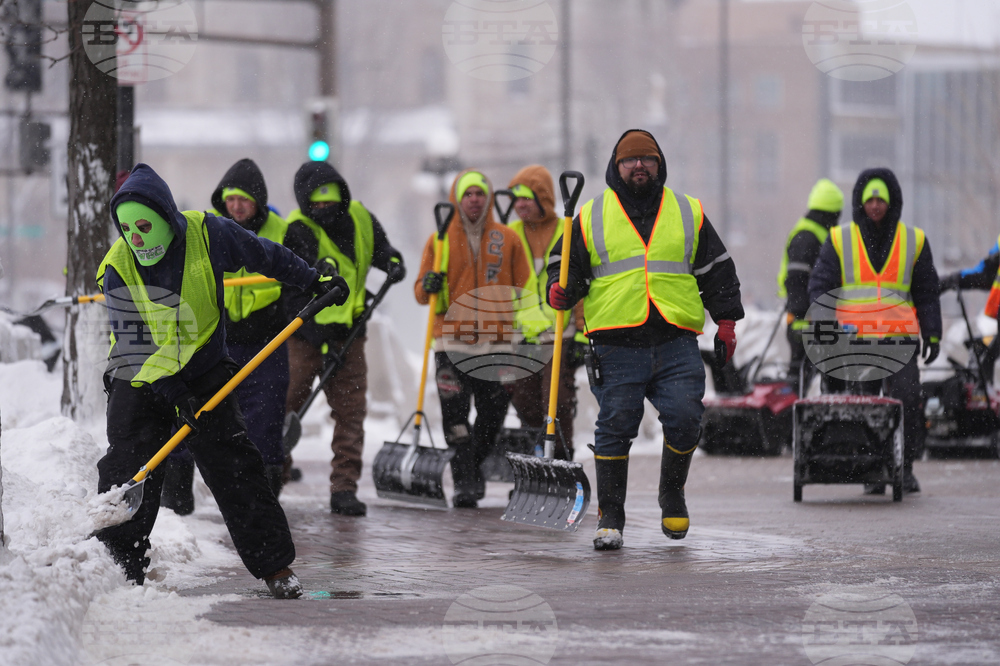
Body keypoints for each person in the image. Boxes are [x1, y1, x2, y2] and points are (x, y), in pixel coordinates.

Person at [94, 163, 347, 597]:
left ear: (165, 217)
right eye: (127, 229)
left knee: (234, 464)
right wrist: (175, 395)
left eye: (144, 226)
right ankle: (118, 564)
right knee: (130, 466)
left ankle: (275, 567)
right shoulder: (120, 267)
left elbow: (265, 255)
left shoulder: (208, 234)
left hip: (202, 367)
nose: (136, 238)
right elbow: (137, 346)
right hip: (140, 375)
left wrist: (312, 281)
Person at [547, 129, 744, 550]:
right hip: (617, 344)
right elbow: (561, 266)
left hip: (676, 340)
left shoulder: (687, 212)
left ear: (660, 165)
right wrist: (559, 288)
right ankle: (611, 514)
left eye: (648, 159)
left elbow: (718, 271)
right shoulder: (590, 216)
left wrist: (726, 323)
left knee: (686, 417)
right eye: (630, 160)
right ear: (616, 168)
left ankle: (672, 493)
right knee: (616, 427)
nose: (639, 166)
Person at [160, 158, 291, 514]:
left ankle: (261, 507)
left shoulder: (282, 230)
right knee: (195, 412)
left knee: (264, 419)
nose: (236, 206)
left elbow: (296, 269)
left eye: (244, 199)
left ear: (258, 201)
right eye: (231, 199)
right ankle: (176, 499)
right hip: (217, 340)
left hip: (267, 341)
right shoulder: (208, 231)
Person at [283, 161, 406, 517]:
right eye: (316, 204)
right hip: (306, 336)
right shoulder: (298, 230)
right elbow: (291, 291)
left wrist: (394, 264)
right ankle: (273, 474)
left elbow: (384, 252)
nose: (324, 210)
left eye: (330, 202)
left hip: (350, 333)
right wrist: (318, 335)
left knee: (351, 412)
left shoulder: (362, 220)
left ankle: (344, 488)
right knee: (287, 404)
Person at [808, 168, 942, 494]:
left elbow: (926, 292)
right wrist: (824, 327)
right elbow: (821, 287)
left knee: (907, 400)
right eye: (870, 199)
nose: (876, 205)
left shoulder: (915, 240)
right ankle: (871, 470)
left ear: (892, 201)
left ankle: (903, 467)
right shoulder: (839, 239)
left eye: (881, 199)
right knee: (863, 406)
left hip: (899, 337)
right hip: (855, 339)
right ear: (860, 203)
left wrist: (933, 333)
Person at [415, 169, 532, 508]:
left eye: (480, 193)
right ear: (457, 198)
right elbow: (420, 293)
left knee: (493, 412)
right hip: (451, 344)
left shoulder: (508, 239)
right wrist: (428, 286)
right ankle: (465, 481)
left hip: (496, 343)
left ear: (489, 197)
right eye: (468, 194)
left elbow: (525, 290)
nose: (475, 200)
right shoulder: (439, 240)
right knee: (455, 416)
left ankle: (471, 466)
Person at [503, 165, 586, 460]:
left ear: (543, 197)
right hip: (523, 336)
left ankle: (562, 457)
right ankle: (536, 460)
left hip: (559, 333)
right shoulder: (510, 235)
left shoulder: (568, 230)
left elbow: (579, 285)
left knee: (557, 402)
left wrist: (582, 334)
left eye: (525, 197)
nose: (519, 205)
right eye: (515, 199)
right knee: (525, 402)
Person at [776, 178, 844, 392]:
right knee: (802, 378)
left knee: (808, 378)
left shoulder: (812, 233)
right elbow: (796, 281)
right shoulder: (809, 236)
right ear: (832, 213)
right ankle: (789, 421)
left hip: (811, 319)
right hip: (806, 321)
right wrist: (803, 319)